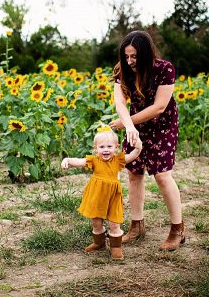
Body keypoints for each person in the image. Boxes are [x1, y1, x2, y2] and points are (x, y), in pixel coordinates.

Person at [108, 30, 186, 251]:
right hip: (136, 126)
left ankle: (177, 229)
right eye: (126, 56)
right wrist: (131, 126)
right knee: (134, 172)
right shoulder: (123, 70)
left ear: (145, 53)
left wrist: (126, 123)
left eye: (134, 56)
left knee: (162, 175)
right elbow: (120, 103)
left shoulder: (164, 69)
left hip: (163, 125)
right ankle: (136, 225)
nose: (130, 61)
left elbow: (159, 107)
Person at [61, 129, 143, 259]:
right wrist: (67, 160)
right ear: (96, 148)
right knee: (96, 222)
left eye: (109, 146)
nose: (106, 150)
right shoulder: (94, 160)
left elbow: (133, 155)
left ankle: (116, 247)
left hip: (113, 197)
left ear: (116, 147)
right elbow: (79, 161)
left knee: (114, 223)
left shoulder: (118, 160)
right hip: (97, 195)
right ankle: (99, 243)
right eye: (102, 147)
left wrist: (138, 146)